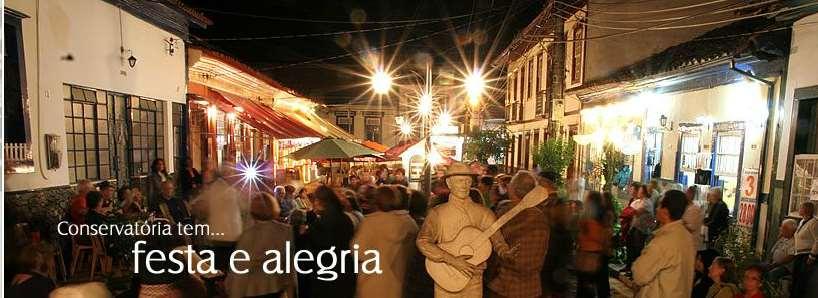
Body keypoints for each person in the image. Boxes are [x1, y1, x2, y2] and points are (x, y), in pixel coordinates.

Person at [416, 162, 512, 297]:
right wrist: (452, 260)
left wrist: (505, 252)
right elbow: (423, 241)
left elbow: (497, 239)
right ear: (449, 183)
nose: (465, 184)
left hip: (474, 277)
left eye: (468, 181)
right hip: (446, 277)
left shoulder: (483, 213)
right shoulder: (438, 213)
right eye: (460, 181)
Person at [488, 171, 551, 298]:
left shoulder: (506, 214)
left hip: (505, 286)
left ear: (513, 189)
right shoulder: (542, 217)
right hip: (532, 288)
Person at [352, 186, 419, 298]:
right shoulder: (410, 223)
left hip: (372, 283)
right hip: (399, 284)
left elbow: (358, 252)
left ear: (376, 201)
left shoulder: (371, 222)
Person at [226, 193, 295, 298]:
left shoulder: (248, 235)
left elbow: (240, 269)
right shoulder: (285, 231)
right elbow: (289, 266)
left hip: (254, 289)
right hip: (276, 286)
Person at [631, 189, 695, 297]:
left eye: (659, 205)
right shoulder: (687, 237)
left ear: (665, 212)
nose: (656, 209)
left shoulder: (663, 242)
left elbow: (639, 274)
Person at [304, 185, 356, 297]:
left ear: (320, 201)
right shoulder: (345, 218)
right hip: (344, 269)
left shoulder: (321, 223)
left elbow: (317, 246)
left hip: (326, 273)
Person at [191, 169, 245, 271]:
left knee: (224, 267)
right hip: (227, 236)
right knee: (228, 267)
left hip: (224, 235)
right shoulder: (221, 189)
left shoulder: (225, 189)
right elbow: (197, 206)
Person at [576, 191, 613, 298]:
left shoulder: (586, 219)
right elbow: (603, 238)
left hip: (587, 255)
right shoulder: (598, 220)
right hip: (595, 255)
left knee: (585, 288)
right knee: (598, 287)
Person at [791, 201, 818, 298]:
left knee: (801, 281)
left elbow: (817, 240)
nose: (799, 209)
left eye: (801, 207)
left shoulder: (813, 223)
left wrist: (812, 256)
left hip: (806, 255)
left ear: (806, 210)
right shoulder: (802, 221)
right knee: (795, 278)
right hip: (798, 254)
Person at [627, 185, 655, 271]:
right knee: (631, 248)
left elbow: (637, 212)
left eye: (639, 191)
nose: (637, 192)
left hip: (641, 230)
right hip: (635, 227)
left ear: (644, 193)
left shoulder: (646, 202)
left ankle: (635, 270)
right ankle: (629, 268)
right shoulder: (640, 201)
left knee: (637, 250)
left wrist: (630, 211)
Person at [683, 185, 705, 251]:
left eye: (687, 193)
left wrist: (680, 222)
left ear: (692, 195)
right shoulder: (687, 207)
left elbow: (691, 228)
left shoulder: (694, 209)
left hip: (691, 243)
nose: (685, 194)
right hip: (686, 242)